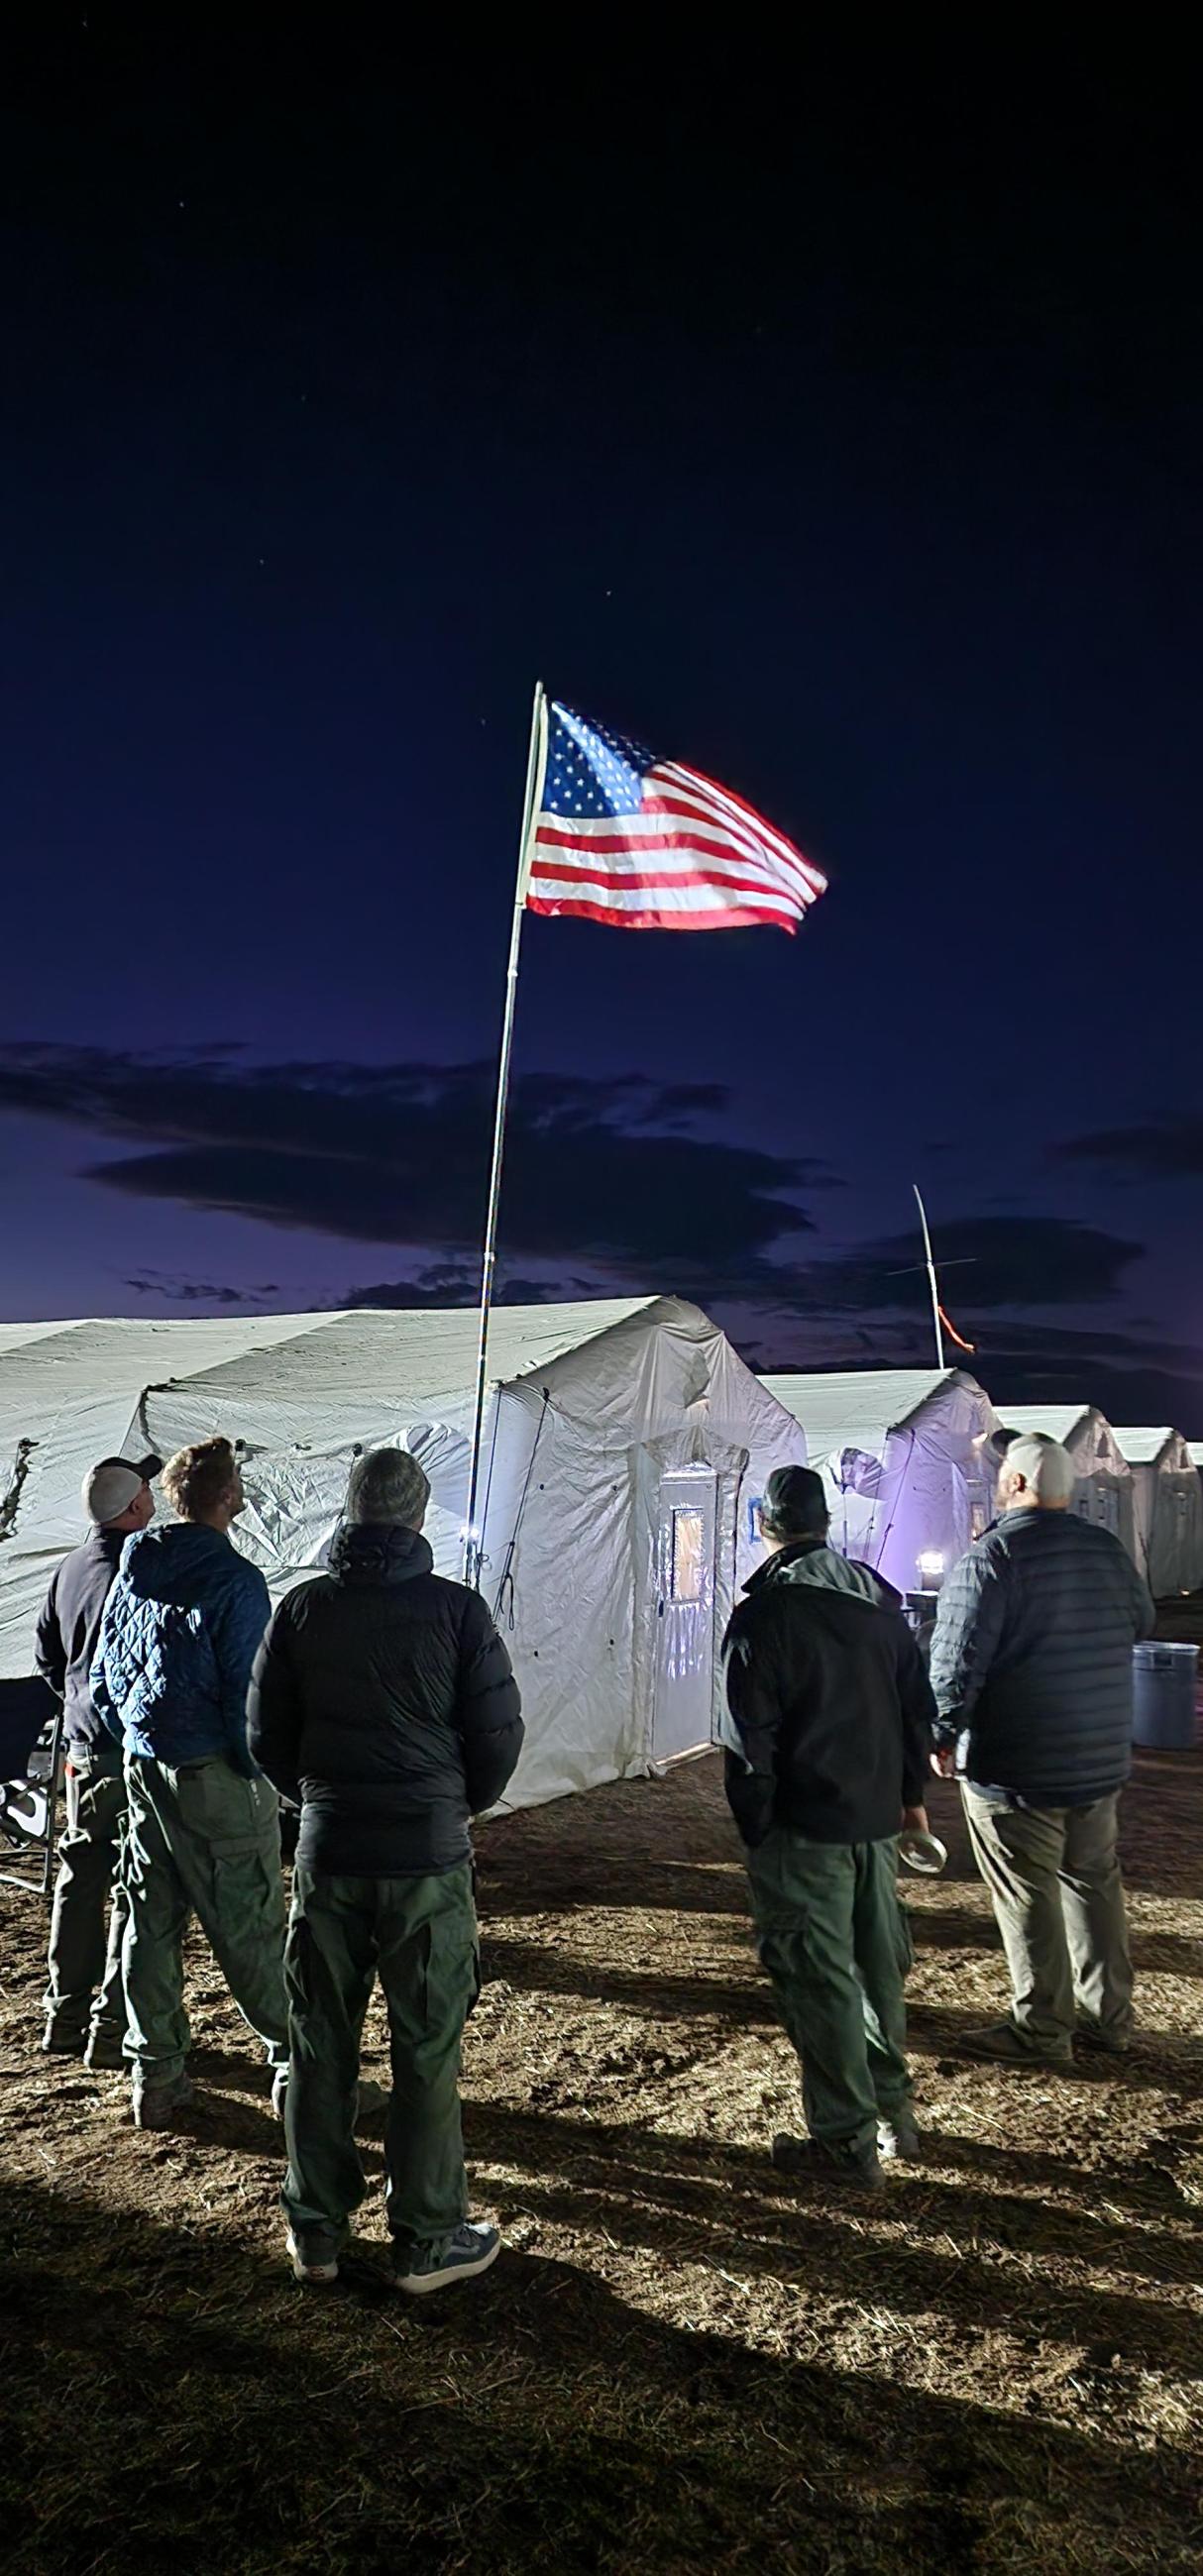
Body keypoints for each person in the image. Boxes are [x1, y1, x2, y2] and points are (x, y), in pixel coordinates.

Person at [247, 1447, 523, 2295]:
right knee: (427, 2048)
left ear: (352, 1512)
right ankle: (427, 2237)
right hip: (425, 1861)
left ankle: (316, 2232)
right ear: (418, 1515)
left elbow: (265, 1736)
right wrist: (450, 1806)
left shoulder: (301, 1611)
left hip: (330, 1857)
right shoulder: (458, 1612)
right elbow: (498, 1739)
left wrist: (319, 1801)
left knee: (319, 2043)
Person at [720, 1464, 935, 2192]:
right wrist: (910, 1799)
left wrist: (757, 1825)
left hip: (804, 1829)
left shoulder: (765, 1617)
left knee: (820, 1978)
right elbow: (916, 1713)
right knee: (878, 1967)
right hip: (875, 1823)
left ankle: (845, 2140)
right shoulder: (879, 1607)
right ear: (826, 1522)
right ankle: (892, 2112)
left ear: (765, 1525)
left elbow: (750, 1739)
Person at [929, 1433, 1155, 2066]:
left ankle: (1042, 2030)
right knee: (1092, 1883)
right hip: (1098, 1757)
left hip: (1017, 1764)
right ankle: (1109, 2018)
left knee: (1027, 1894)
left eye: (1004, 1475)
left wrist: (941, 1733)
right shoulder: (1107, 1551)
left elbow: (956, 1661)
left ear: (1020, 1486)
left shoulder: (992, 1558)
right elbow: (1142, 1621)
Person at [90, 1435, 288, 2129]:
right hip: (211, 1772)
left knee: (148, 1920)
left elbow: (104, 1666)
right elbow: (247, 1698)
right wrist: (259, 1773)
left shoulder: (139, 1559)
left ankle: (157, 2075)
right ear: (229, 1498)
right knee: (253, 1926)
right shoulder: (236, 1581)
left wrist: (135, 1738)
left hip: (146, 1766)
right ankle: (301, 2070)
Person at [35, 1453, 162, 2066]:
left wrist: (77, 1701)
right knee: (134, 1886)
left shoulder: (67, 1569)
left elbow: (48, 1660)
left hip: (81, 1749)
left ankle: (63, 2015)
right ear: (136, 1507)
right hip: (126, 1751)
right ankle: (109, 2031)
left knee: (80, 1880)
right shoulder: (140, 1575)